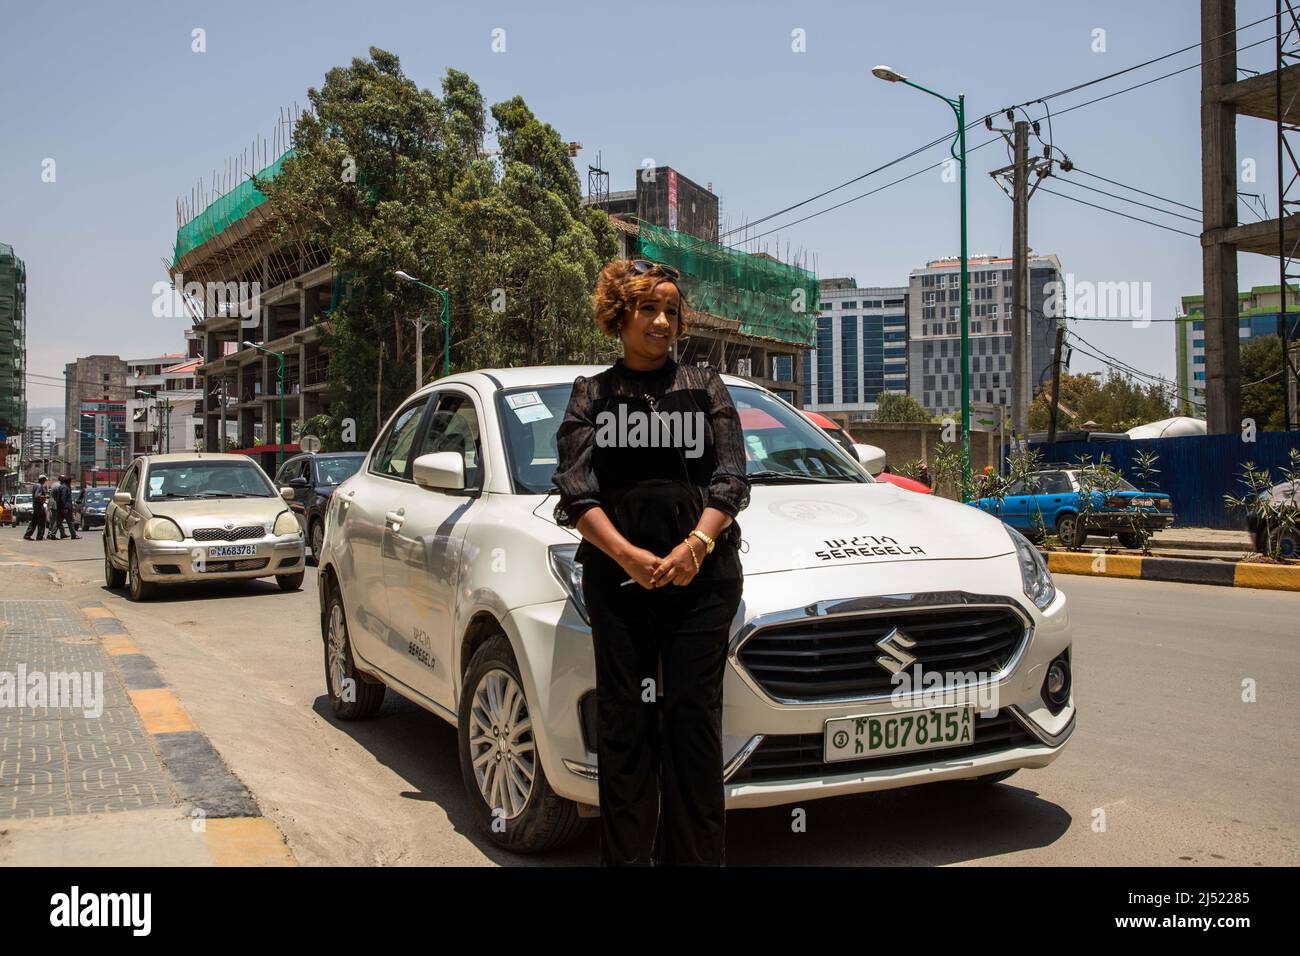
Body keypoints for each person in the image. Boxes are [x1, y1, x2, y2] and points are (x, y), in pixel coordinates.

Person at [552, 257, 751, 866]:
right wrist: (627, 555)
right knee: (628, 726)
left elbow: (731, 478)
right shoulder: (593, 394)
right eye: (648, 308)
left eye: (670, 309)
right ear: (619, 316)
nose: (662, 320)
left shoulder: (705, 386)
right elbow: (576, 491)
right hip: (620, 583)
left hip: (703, 583)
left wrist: (697, 545)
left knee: (691, 727)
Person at [51, 475, 79, 540]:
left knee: (58, 522)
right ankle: (73, 535)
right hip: (65, 508)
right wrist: (65, 507)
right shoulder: (65, 488)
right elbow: (63, 498)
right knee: (70, 521)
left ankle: (52, 534)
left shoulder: (62, 487)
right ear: (68, 482)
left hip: (61, 508)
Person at [23, 475, 49, 541]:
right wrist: (46, 496)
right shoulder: (40, 486)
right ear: (42, 480)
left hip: (36, 505)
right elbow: (37, 496)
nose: (45, 481)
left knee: (34, 521)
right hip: (39, 505)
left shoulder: (35, 485)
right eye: (45, 480)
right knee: (42, 521)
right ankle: (40, 536)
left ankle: (27, 535)